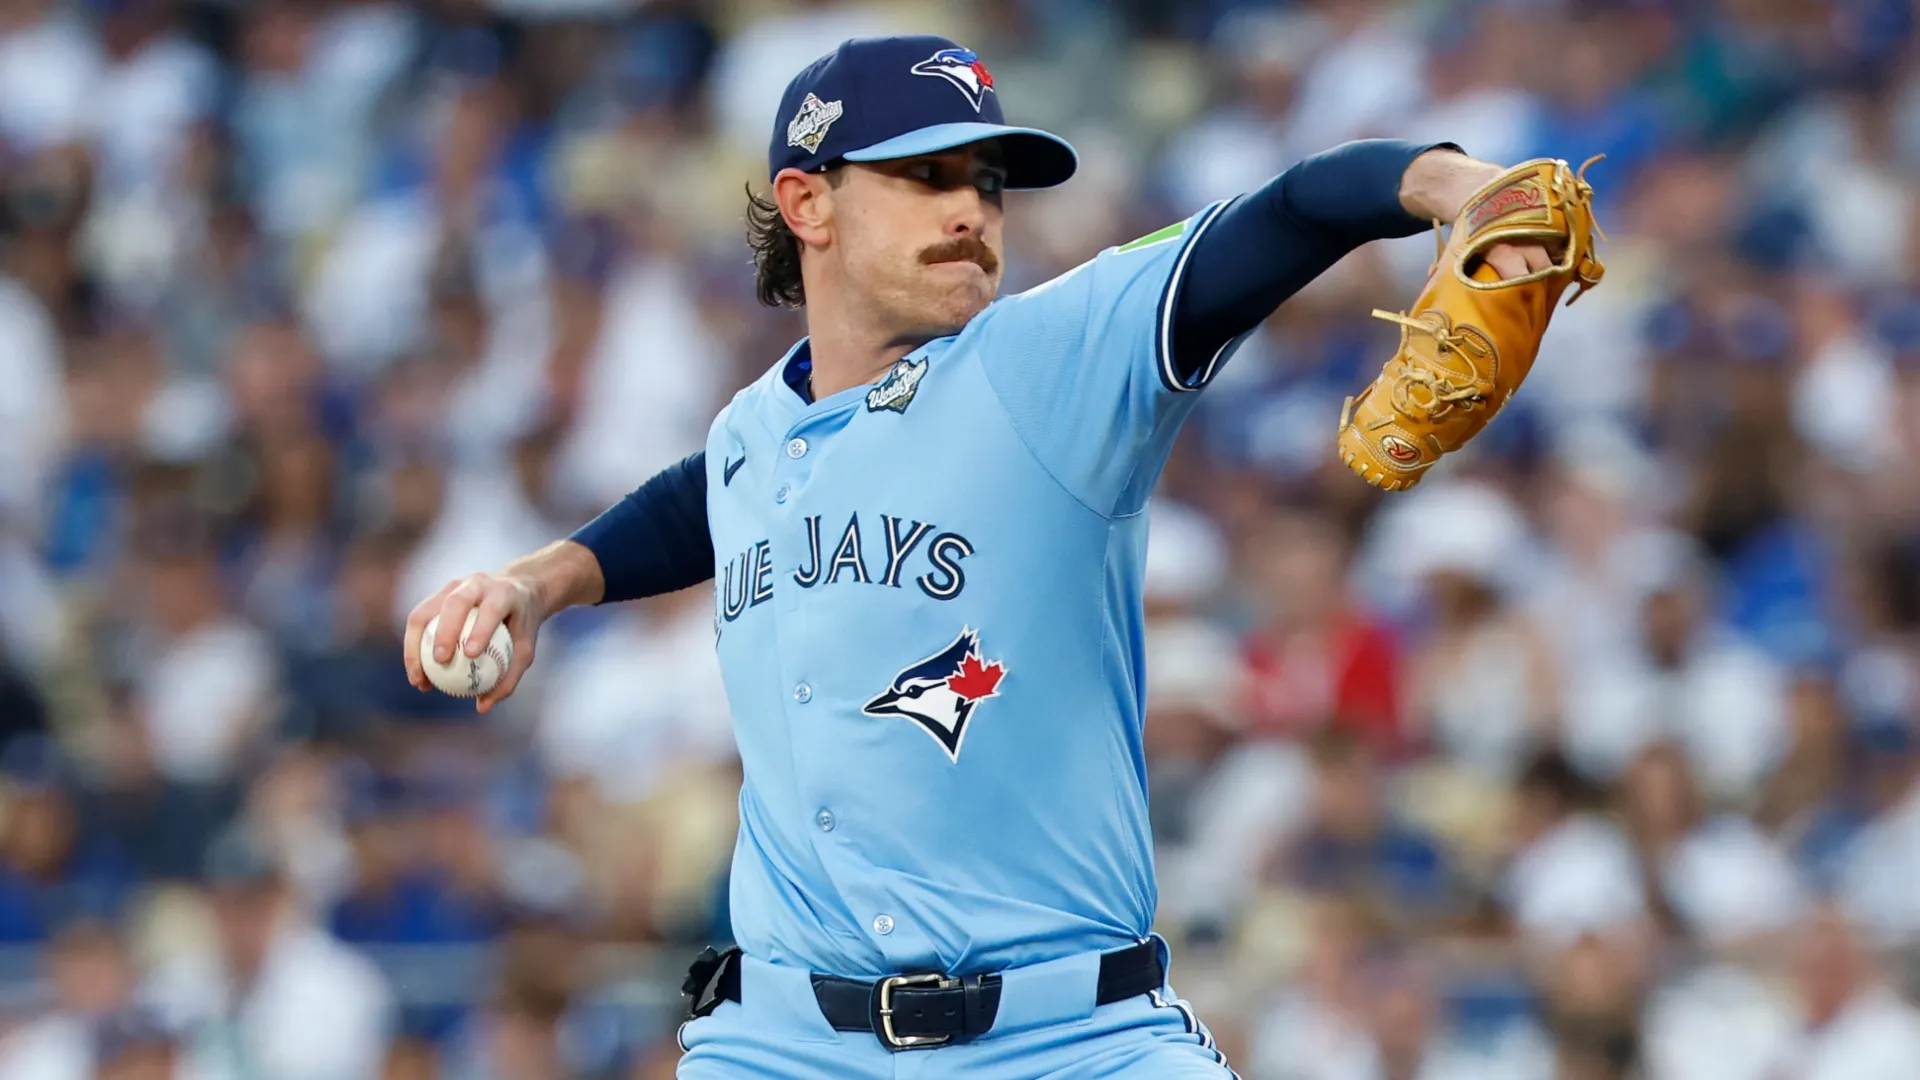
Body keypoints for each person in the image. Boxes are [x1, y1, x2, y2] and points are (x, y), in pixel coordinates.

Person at [402, 34, 1556, 1078]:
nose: (971, 210)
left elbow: (1289, 211)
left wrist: (1451, 183)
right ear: (808, 201)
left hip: (1072, 1041)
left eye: (987, 182)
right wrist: (540, 581)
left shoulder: (1050, 360)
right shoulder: (755, 426)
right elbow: (706, 499)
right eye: (926, 175)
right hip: (786, 1047)